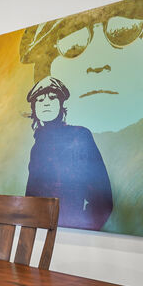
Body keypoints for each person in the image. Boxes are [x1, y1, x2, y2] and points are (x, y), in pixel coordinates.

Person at [24, 76, 113, 230]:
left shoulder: (79, 135)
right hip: (41, 232)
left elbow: (103, 199)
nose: (45, 102)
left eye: (52, 97)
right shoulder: (37, 147)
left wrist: (83, 228)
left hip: (72, 232)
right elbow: (30, 198)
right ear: (34, 108)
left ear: (61, 104)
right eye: (39, 100)